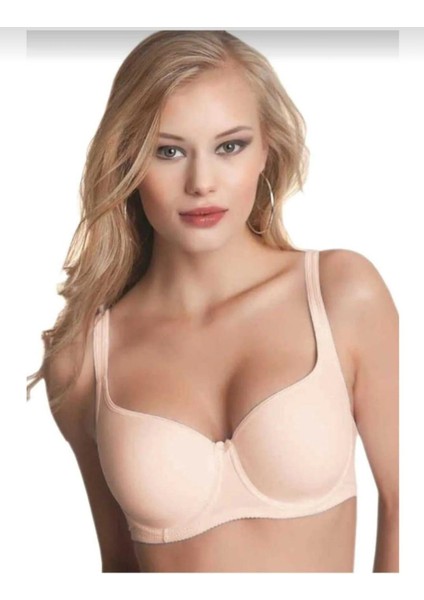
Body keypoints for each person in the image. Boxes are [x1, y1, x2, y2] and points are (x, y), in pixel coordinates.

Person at [26, 30, 398, 573]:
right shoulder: (83, 360)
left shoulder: (342, 294)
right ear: (128, 160)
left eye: (230, 146)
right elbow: (118, 568)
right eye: (168, 151)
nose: (201, 182)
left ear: (267, 148)